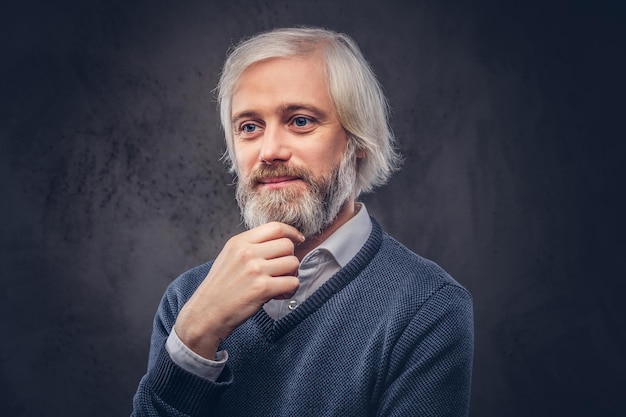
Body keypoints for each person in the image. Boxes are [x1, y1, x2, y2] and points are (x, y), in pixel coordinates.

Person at [132, 27, 473, 416]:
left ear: (357, 142)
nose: (270, 151)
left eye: (300, 121)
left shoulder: (427, 306)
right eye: (249, 127)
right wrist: (193, 339)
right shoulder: (187, 300)